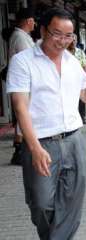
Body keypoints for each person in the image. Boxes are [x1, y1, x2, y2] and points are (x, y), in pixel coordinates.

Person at [6, 8, 86, 239]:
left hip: (74, 140)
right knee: (41, 204)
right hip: (41, 143)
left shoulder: (72, 61)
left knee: (72, 201)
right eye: (57, 34)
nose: (63, 41)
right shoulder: (23, 61)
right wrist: (34, 148)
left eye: (68, 36)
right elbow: (20, 106)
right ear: (43, 30)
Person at [8, 8, 36, 165]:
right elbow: (29, 59)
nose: (35, 23)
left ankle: (20, 147)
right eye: (33, 20)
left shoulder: (21, 36)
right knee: (24, 112)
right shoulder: (20, 37)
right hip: (24, 82)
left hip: (23, 81)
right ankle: (19, 149)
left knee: (23, 113)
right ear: (28, 21)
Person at [67, 35, 86, 124]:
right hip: (67, 80)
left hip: (78, 79)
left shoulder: (80, 52)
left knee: (81, 99)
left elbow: (84, 66)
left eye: (74, 40)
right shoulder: (63, 52)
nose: (73, 42)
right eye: (71, 40)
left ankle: (82, 116)